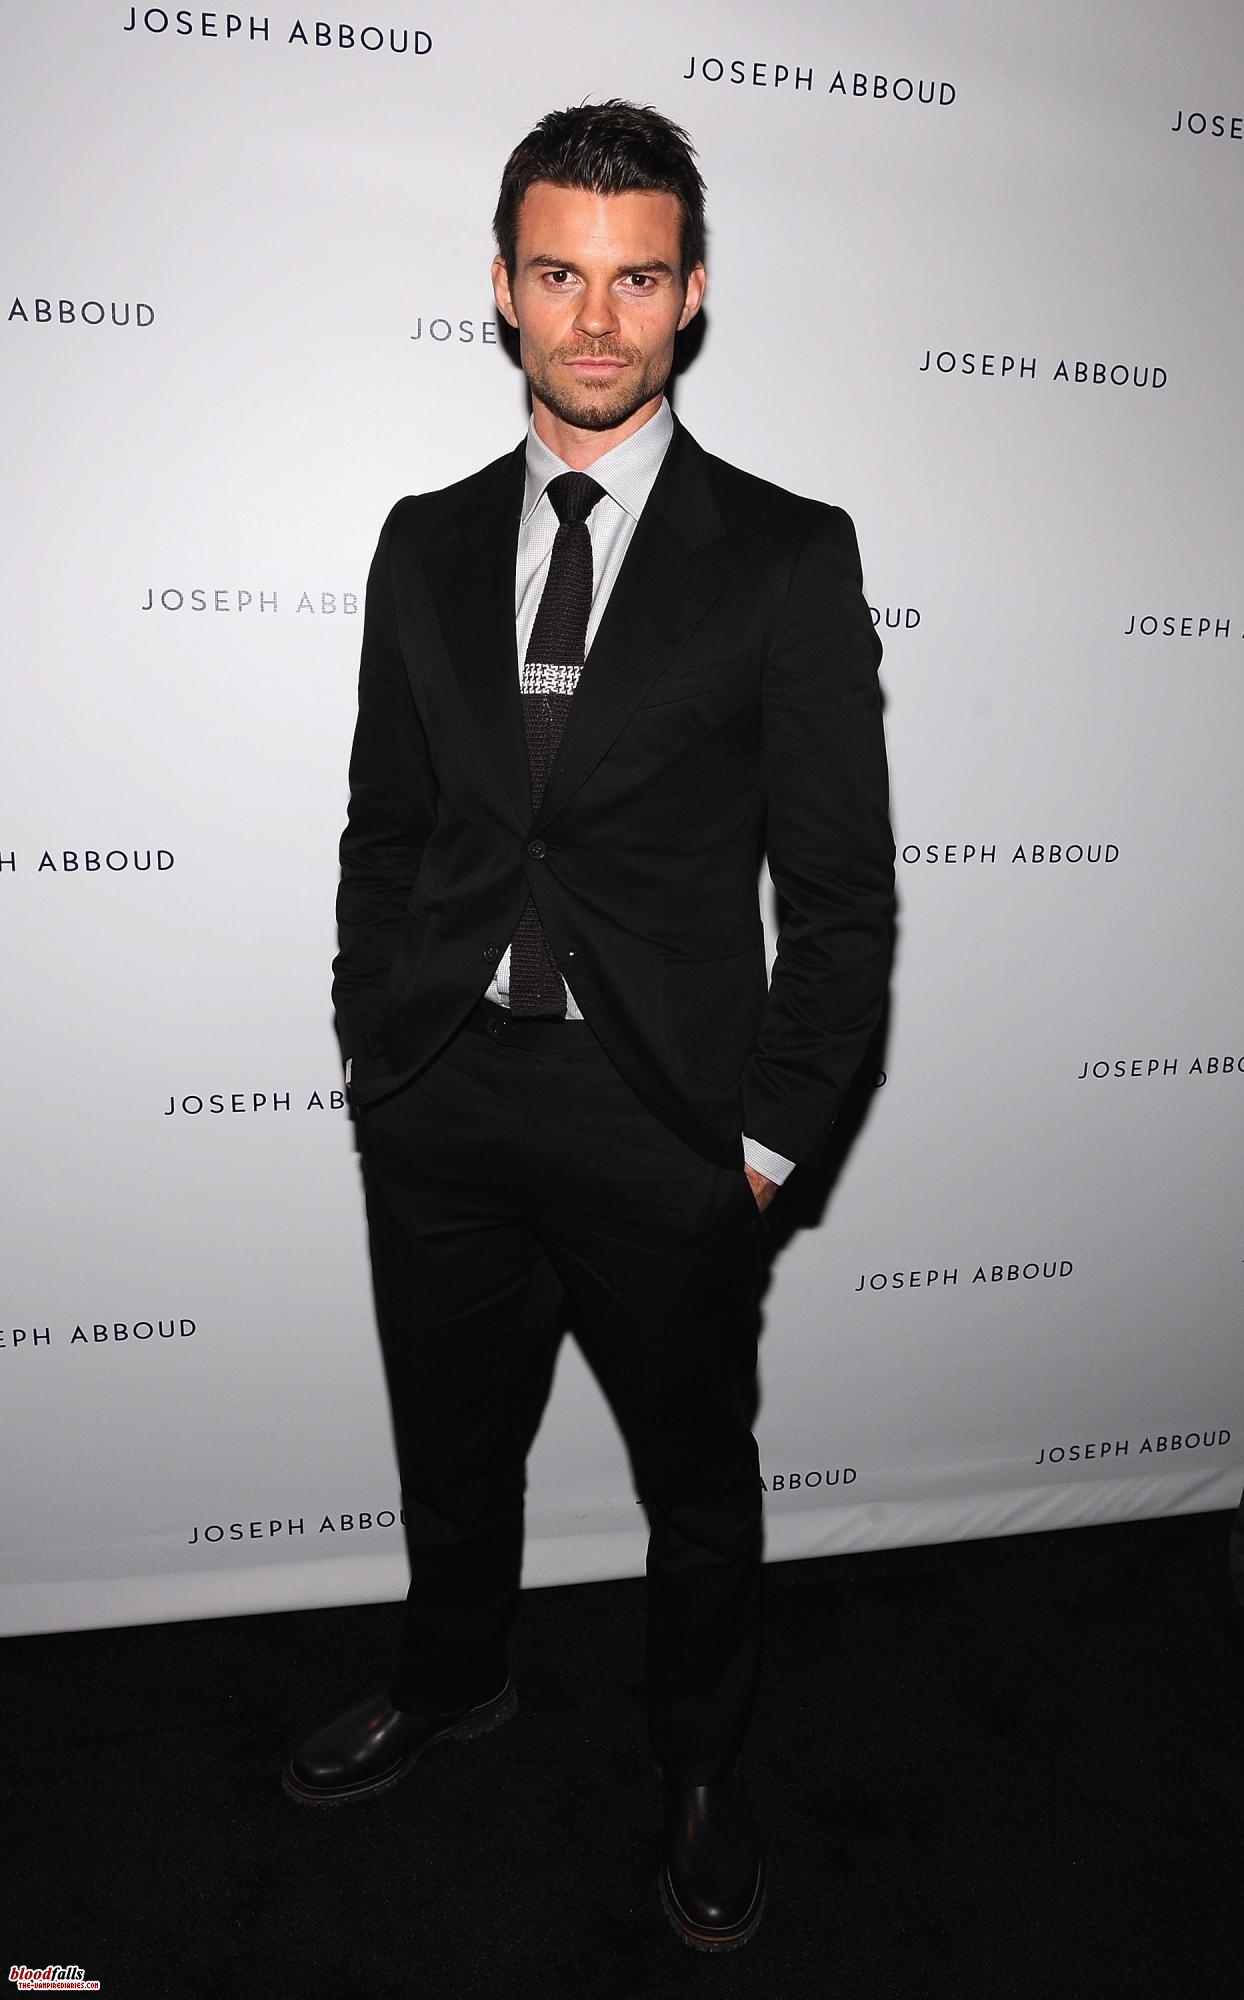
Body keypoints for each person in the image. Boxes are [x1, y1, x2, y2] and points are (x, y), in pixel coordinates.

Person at [282, 100, 894, 1952]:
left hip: (664, 1122)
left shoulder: (785, 554)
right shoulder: (423, 542)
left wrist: (764, 1143)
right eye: (561, 273)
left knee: (696, 1486)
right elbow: (387, 830)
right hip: (447, 1096)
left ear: (691, 294)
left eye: (637, 278)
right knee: (450, 1444)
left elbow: (842, 896)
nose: (598, 318)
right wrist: (380, 1050)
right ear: (503, 286)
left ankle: (701, 1768)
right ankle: (452, 1675)